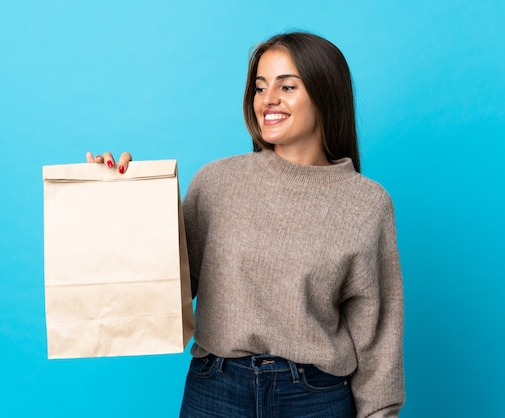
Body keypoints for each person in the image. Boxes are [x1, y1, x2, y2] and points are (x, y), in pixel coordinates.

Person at [88, 31, 404, 418]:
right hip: (216, 389)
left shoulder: (366, 202)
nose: (268, 100)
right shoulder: (217, 183)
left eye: (286, 86)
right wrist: (116, 201)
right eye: (259, 87)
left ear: (325, 93)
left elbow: (379, 335)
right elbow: (160, 292)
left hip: (314, 398)